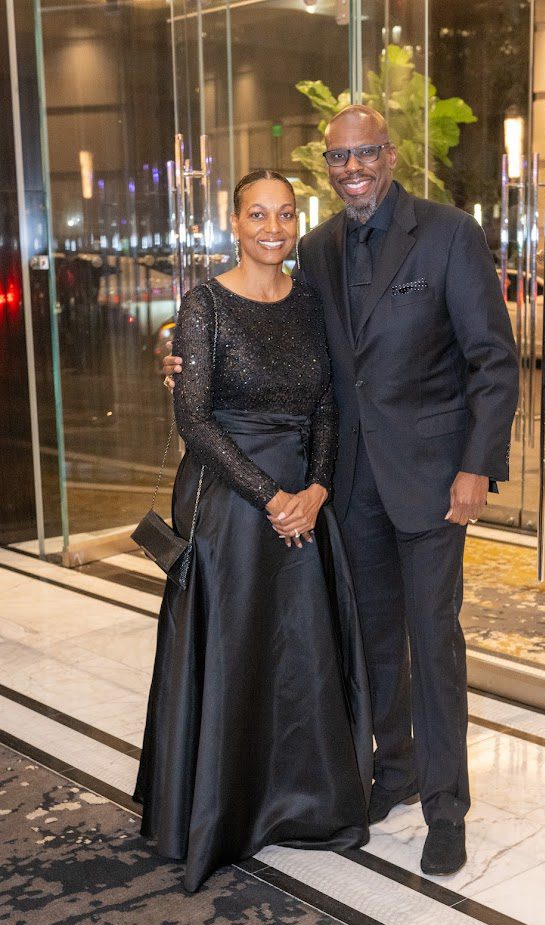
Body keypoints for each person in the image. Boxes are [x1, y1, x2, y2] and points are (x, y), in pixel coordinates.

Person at [164, 106, 519, 877]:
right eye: (338, 157)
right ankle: (392, 776)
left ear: (388, 155)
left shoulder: (449, 233)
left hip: (431, 485)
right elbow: (281, 336)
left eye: (365, 153)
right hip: (347, 487)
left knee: (435, 646)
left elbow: (493, 360)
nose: (352, 167)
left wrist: (475, 466)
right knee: (374, 646)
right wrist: (188, 362)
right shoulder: (316, 249)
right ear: (327, 165)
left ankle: (445, 808)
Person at [136, 169, 372, 893]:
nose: (273, 227)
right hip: (234, 513)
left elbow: (328, 407)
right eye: (257, 214)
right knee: (235, 657)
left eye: (286, 213)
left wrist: (318, 490)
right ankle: (224, 814)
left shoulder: (309, 302)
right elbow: (194, 420)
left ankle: (300, 805)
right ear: (233, 222)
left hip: (304, 501)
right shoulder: (205, 302)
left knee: (301, 658)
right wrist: (272, 497)